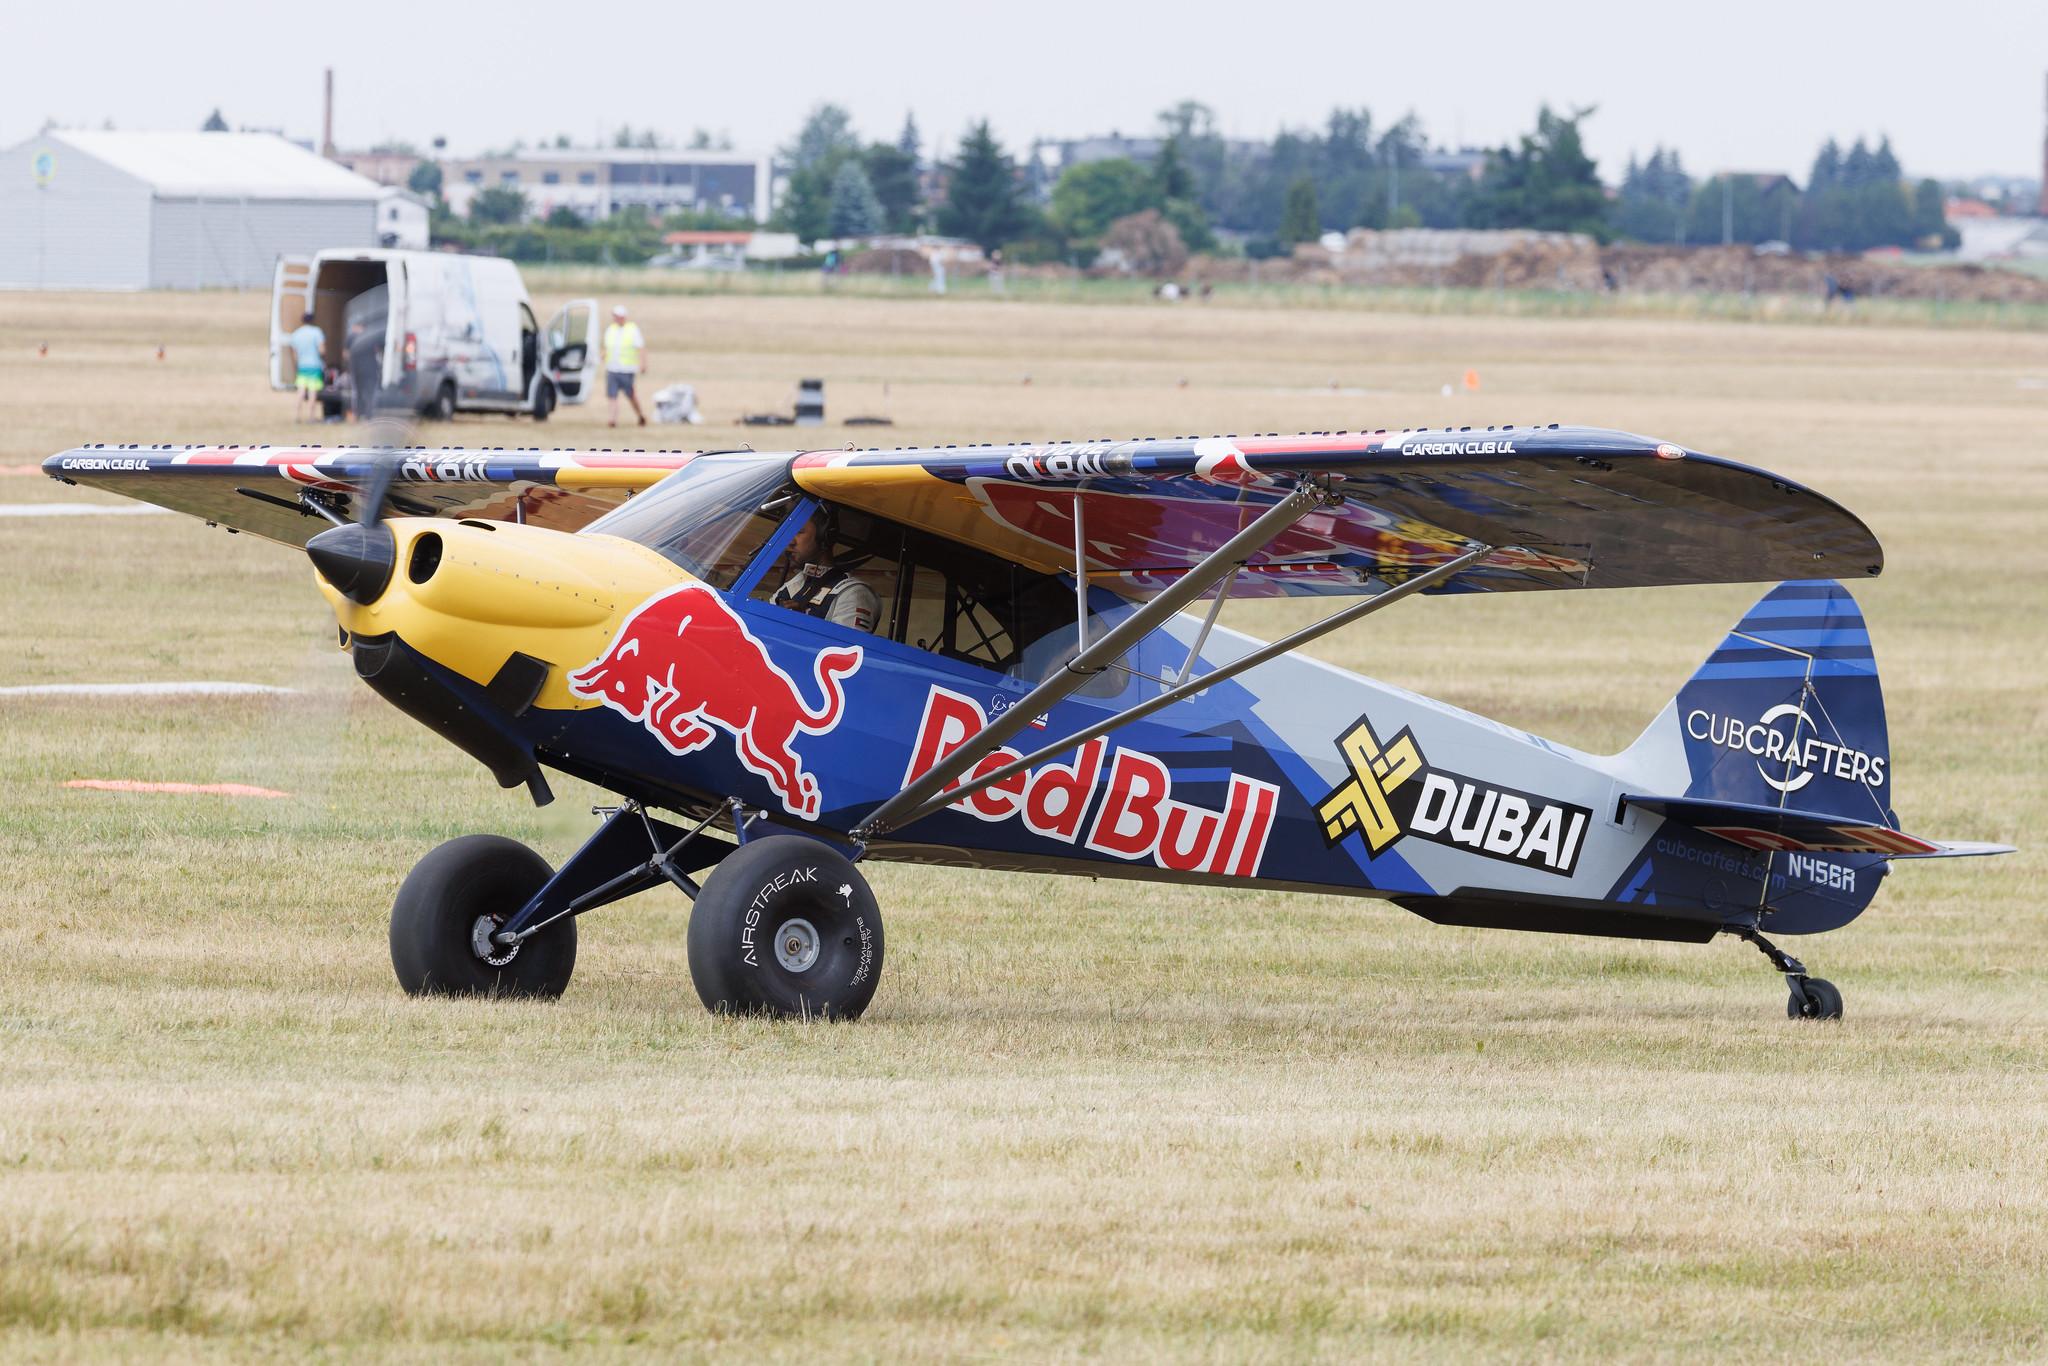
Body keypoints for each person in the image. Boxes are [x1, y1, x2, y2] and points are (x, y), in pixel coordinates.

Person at [770, 506, 878, 633]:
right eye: (788, 532)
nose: (790, 541)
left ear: (825, 535)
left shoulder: (853, 593)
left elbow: (847, 650)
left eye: (799, 531)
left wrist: (803, 625)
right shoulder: (790, 587)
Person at [601, 304, 647, 427]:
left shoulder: (632, 329)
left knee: (631, 395)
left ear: (623, 317)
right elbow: (607, 347)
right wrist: (603, 355)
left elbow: (641, 348)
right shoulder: (611, 329)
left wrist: (643, 364)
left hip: (627, 370)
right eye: (614, 316)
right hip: (612, 368)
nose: (616, 318)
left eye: (618, 316)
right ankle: (612, 420)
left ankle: (640, 415)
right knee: (612, 395)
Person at [287, 311, 325, 423]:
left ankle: (296, 416)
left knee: (300, 392)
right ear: (312, 320)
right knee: (312, 393)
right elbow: (322, 350)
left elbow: (295, 355)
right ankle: (311, 417)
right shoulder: (317, 332)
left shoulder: (296, 334)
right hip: (314, 366)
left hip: (302, 366)